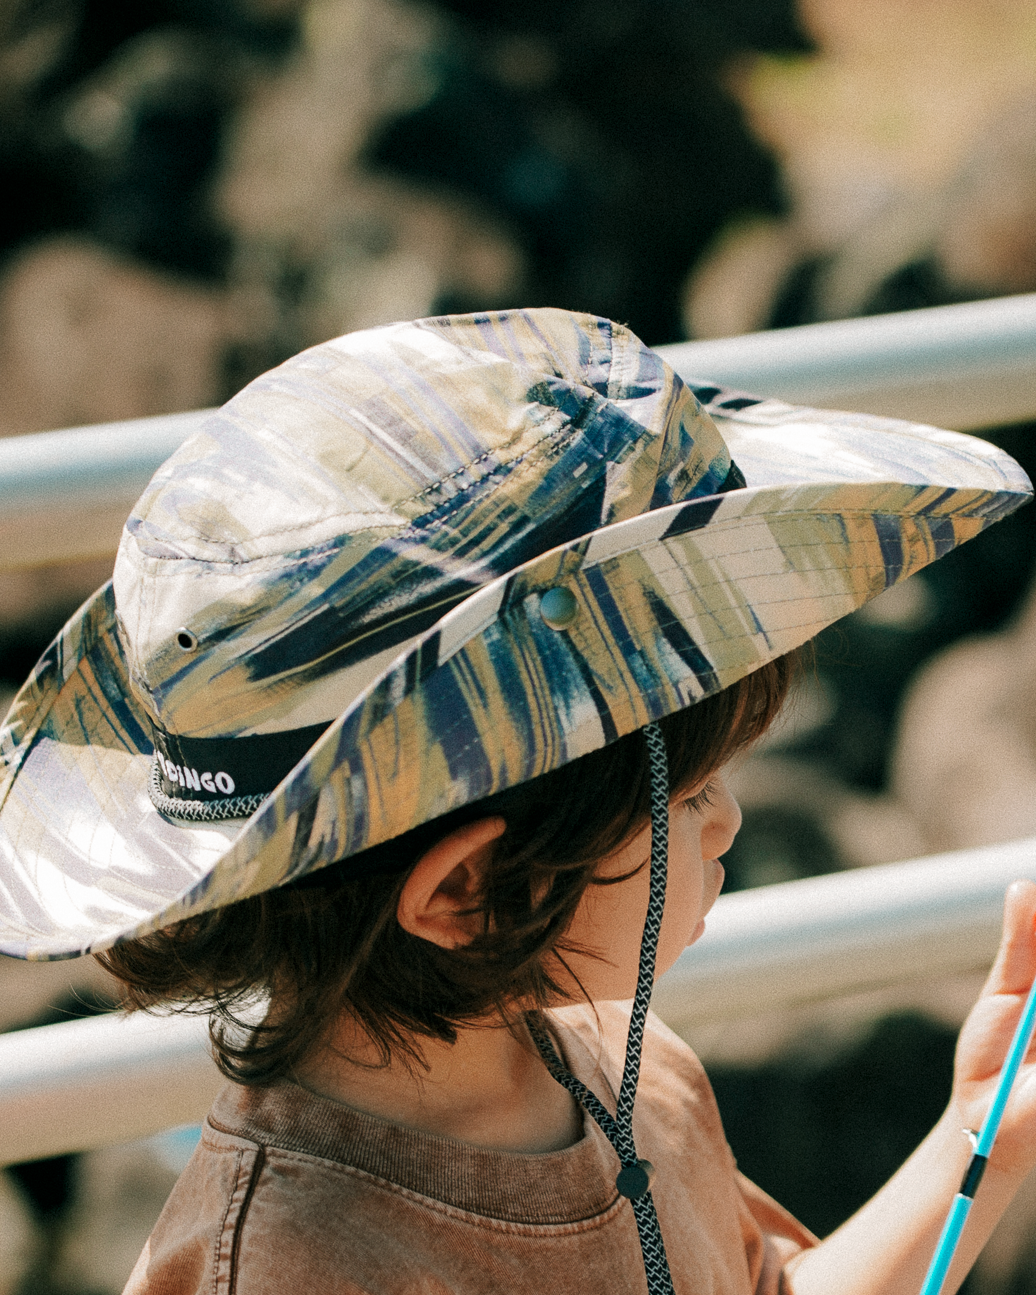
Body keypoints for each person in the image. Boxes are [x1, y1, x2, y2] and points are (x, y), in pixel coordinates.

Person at [0, 307, 1032, 1295]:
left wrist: (982, 1129)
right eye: (688, 790)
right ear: (467, 889)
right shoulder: (286, 1264)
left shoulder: (623, 1069)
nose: (728, 819)